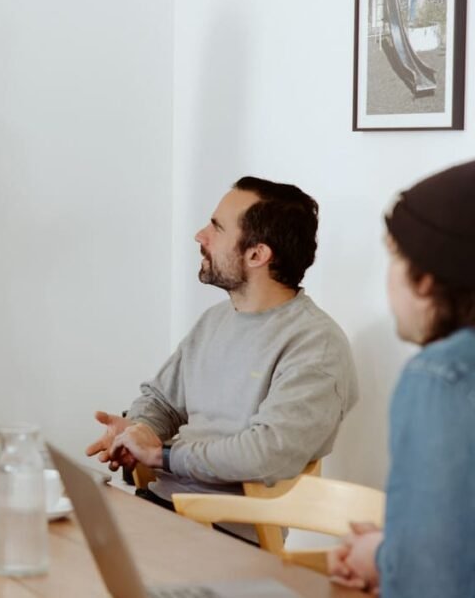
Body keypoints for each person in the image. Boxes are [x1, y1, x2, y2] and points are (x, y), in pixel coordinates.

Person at [86, 177, 358, 536]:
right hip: (160, 508)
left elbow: (265, 453)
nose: (200, 236)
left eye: (216, 228)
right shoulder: (216, 320)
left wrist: (161, 456)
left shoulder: (316, 346)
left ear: (257, 254)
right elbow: (162, 401)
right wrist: (139, 430)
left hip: (223, 531)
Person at [328, 160, 475, 596]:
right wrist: (385, 554)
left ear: (426, 280)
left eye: (394, 257)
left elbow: (430, 582)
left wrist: (397, 563)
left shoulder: (442, 376)